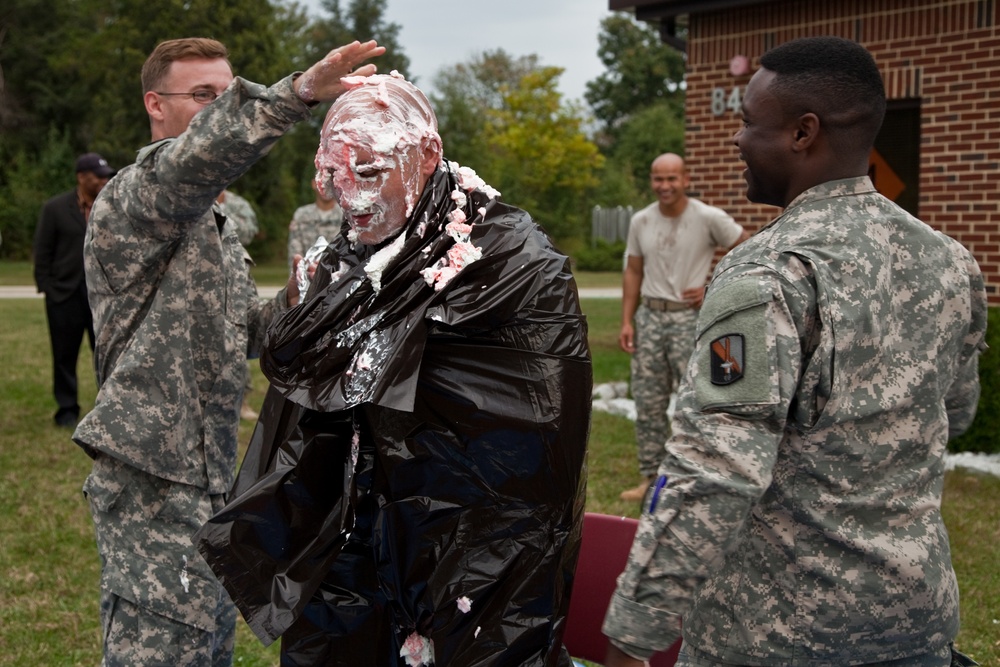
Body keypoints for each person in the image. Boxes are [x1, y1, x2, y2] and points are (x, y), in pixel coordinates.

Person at [602, 36, 987, 667]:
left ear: (803, 133)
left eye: (750, 124)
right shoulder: (949, 260)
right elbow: (956, 410)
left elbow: (713, 468)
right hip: (914, 626)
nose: (737, 141)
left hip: (776, 636)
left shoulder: (768, 271)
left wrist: (631, 633)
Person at [195, 72, 592, 666]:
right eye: (333, 173)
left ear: (427, 157)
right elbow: (300, 362)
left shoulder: (509, 258)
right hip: (354, 543)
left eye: (371, 172)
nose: (348, 195)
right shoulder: (343, 258)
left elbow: (533, 429)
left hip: (469, 546)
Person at [72, 36, 384, 666]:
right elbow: (196, 161)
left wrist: (313, 289)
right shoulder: (133, 199)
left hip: (214, 478)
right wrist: (295, 94)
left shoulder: (217, 225)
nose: (216, 108)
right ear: (154, 105)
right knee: (162, 650)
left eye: (226, 92)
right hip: (153, 480)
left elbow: (247, 335)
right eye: (203, 96)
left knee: (209, 646)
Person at [618, 153, 749, 502]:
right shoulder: (641, 221)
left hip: (690, 320)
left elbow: (747, 249)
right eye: (658, 178)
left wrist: (713, 287)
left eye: (672, 178)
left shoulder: (707, 217)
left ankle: (696, 478)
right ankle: (651, 478)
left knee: (696, 403)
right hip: (649, 318)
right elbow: (633, 270)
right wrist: (627, 320)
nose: (665, 186)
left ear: (686, 179)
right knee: (647, 403)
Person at [33, 152, 113, 427]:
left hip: (101, 295)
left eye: (106, 176)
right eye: (98, 176)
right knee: (64, 355)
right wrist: (48, 287)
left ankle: (108, 409)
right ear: (81, 177)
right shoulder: (54, 208)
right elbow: (42, 251)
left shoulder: (112, 207)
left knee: (105, 354)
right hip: (64, 294)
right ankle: (67, 410)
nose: (104, 181)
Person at [216, 188, 262, 421]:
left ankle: (241, 400)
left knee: (239, 336)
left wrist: (220, 211)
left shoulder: (238, 204)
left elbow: (249, 231)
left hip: (232, 266)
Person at [286, 175, 344, 270]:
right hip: (308, 277)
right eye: (322, 181)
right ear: (314, 183)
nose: (325, 187)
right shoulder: (302, 215)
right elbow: (295, 254)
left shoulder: (346, 215)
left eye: (330, 182)